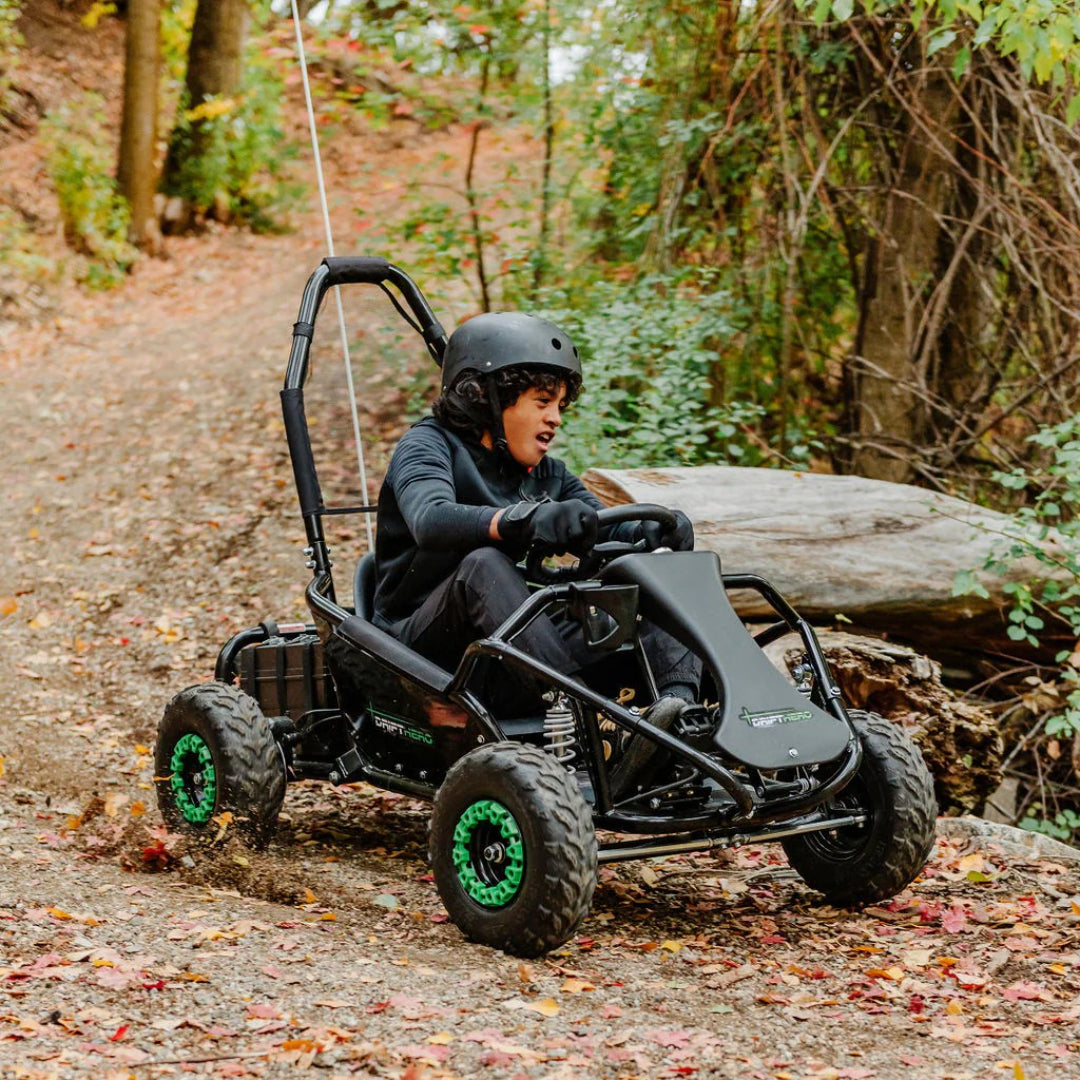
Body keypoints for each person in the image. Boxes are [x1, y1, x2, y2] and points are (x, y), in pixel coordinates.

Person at [372, 310, 701, 726]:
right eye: (543, 402)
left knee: (659, 572)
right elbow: (430, 519)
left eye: (560, 405)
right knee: (484, 564)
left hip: (513, 648)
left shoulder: (547, 474)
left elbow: (601, 525)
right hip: (424, 654)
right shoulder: (427, 445)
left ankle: (680, 712)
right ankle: (580, 716)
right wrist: (521, 520)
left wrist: (652, 532)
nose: (555, 418)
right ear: (482, 396)